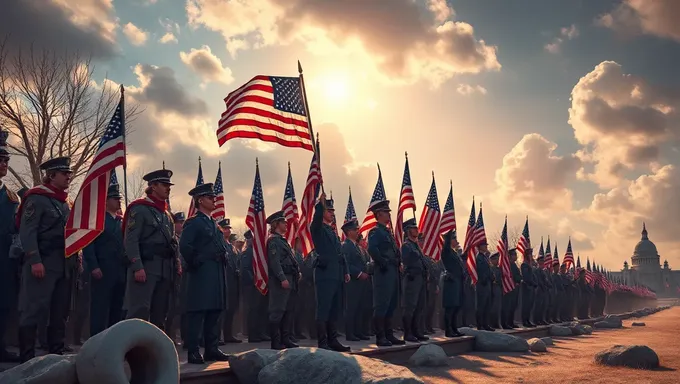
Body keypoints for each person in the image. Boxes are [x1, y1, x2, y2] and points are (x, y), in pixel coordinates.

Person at [17, 156, 76, 362]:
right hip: (43, 261)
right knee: (33, 308)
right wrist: (34, 260)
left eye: (69, 173)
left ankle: (56, 355)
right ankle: (27, 358)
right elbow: (28, 232)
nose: (69, 176)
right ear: (51, 176)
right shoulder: (37, 198)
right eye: (64, 173)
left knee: (59, 311)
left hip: (63, 264)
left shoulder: (65, 203)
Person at [123, 168, 181, 331]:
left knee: (160, 312)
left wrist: (176, 262)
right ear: (153, 186)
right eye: (164, 184)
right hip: (146, 267)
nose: (168, 188)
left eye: (169, 185)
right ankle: (132, 349)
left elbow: (172, 242)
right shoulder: (139, 209)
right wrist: (137, 266)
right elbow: (131, 240)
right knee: (139, 310)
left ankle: (153, 352)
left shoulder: (167, 215)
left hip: (164, 269)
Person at [179, 183, 230, 364]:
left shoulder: (213, 224)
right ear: (200, 200)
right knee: (198, 312)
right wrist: (196, 262)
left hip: (216, 272)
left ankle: (212, 349)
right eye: (210, 197)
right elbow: (185, 246)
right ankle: (193, 351)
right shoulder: (194, 222)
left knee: (215, 311)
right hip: (202, 272)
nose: (214, 199)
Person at [83, 181, 126, 337]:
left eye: (119, 198)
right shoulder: (97, 219)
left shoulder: (122, 221)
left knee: (117, 307)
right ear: (106, 200)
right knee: (100, 307)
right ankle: (96, 339)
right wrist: (93, 265)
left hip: (120, 270)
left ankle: (113, 340)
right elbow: (89, 244)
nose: (118, 201)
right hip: (103, 268)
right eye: (114, 198)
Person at [310, 193, 350, 352]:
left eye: (333, 211)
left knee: (334, 309)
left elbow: (340, 253)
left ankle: (333, 340)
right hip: (325, 275)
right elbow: (316, 220)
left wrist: (345, 271)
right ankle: (323, 341)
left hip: (336, 274)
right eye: (329, 211)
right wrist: (319, 204)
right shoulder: (318, 229)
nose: (332, 213)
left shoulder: (332, 231)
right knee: (324, 308)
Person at [366, 200, 405, 347]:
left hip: (392, 271)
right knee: (382, 303)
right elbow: (372, 249)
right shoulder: (376, 231)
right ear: (379, 214)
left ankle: (389, 334)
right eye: (386, 212)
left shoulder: (387, 232)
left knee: (391, 304)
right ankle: (380, 336)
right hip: (383, 271)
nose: (389, 214)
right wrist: (382, 262)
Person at [266, 211, 300, 350]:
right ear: (276, 224)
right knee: (278, 310)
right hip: (281, 280)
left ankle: (286, 339)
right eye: (283, 222)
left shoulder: (282, 240)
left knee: (288, 310)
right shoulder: (273, 241)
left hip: (290, 278)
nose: (286, 224)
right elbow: (275, 262)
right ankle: (276, 342)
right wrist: (282, 278)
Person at [0, 130, 20, 362]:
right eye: (1, 159)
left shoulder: (12, 197)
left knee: (4, 302)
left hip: (5, 256)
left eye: (6, 160)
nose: (5, 163)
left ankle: (1, 345)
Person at [400, 218, 428, 342]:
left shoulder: (415, 245)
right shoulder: (407, 245)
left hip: (420, 278)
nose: (417, 230)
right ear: (408, 231)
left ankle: (416, 331)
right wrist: (416, 252)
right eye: (414, 228)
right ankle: (408, 333)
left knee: (419, 306)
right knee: (410, 306)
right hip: (412, 278)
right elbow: (406, 260)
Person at [342, 218, 370, 341]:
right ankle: (350, 333)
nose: (358, 231)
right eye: (355, 229)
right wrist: (358, 273)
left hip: (361, 282)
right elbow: (346, 263)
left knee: (360, 307)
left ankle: (358, 331)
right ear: (348, 232)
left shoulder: (357, 247)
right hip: (352, 281)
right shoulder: (346, 246)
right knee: (352, 307)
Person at [240, 230, 270, 342]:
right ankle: (253, 334)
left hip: (259, 285)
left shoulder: (257, 252)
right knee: (253, 310)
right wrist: (255, 281)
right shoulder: (248, 251)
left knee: (261, 309)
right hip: (252, 286)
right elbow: (246, 270)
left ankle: (260, 332)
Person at [219, 218, 242, 343]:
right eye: (225, 228)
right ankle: (219, 336)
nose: (227, 230)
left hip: (233, 282)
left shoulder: (231, 247)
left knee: (231, 309)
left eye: (228, 229)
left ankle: (228, 334)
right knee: (222, 310)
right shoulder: (220, 244)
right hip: (224, 280)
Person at [166, 211, 186, 347]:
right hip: (170, 276)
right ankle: (168, 336)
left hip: (180, 278)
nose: (181, 226)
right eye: (179, 223)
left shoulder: (180, 239)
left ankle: (174, 336)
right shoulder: (172, 239)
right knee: (169, 308)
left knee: (177, 309)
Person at [440, 230, 465, 337]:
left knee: (456, 307)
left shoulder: (454, 252)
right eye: (454, 239)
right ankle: (448, 330)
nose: (457, 241)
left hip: (457, 282)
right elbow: (445, 247)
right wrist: (449, 233)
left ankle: (454, 328)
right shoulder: (446, 251)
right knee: (450, 307)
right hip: (451, 282)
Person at [475, 242, 493, 331]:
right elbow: (481, 271)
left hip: (487, 284)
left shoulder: (485, 257)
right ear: (480, 247)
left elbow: (488, 270)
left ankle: (486, 324)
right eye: (484, 245)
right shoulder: (479, 257)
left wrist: (491, 277)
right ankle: (480, 324)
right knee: (481, 305)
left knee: (487, 305)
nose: (486, 246)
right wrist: (485, 278)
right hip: (482, 284)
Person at [501, 248, 522, 329]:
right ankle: (505, 323)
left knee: (513, 306)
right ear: (510, 256)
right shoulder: (509, 264)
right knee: (508, 306)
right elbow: (513, 275)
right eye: (514, 254)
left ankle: (510, 322)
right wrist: (518, 278)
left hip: (514, 288)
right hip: (510, 287)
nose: (516, 256)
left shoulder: (514, 264)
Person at [520, 247, 536, 327]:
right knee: (526, 305)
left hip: (531, 288)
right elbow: (526, 277)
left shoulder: (529, 265)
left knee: (530, 305)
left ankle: (528, 320)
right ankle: (525, 321)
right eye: (530, 254)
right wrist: (532, 283)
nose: (531, 256)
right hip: (527, 287)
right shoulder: (524, 265)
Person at [488, 252, 502, 329]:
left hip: (498, 289)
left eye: (497, 259)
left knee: (497, 307)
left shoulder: (499, 269)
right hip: (492, 289)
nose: (497, 261)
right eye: (495, 259)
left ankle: (496, 322)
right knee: (492, 308)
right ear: (491, 260)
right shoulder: (491, 268)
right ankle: (492, 323)